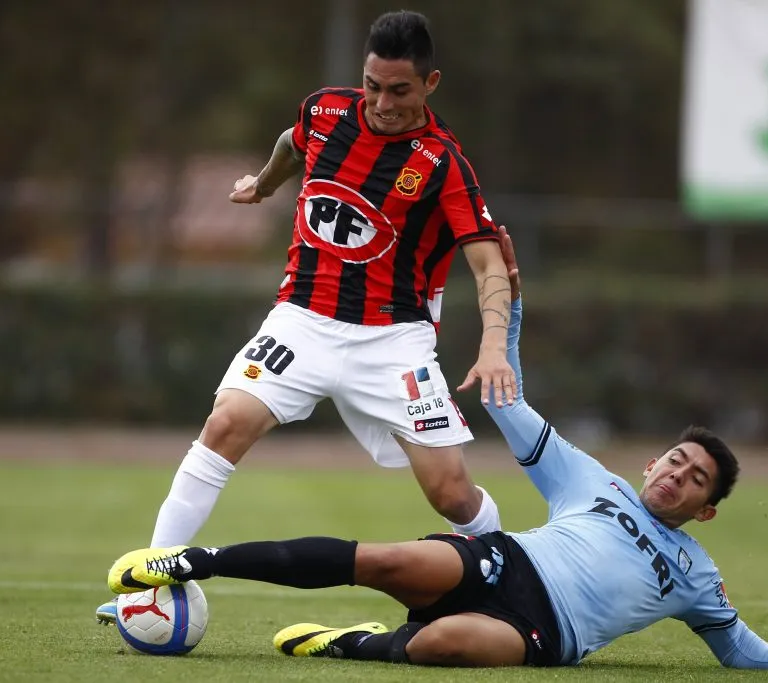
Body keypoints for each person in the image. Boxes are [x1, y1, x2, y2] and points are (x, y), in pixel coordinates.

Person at [106, 227, 768, 673]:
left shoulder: (697, 576)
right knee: (381, 559)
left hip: (542, 634)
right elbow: (506, 400)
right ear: (653, 464)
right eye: (675, 460)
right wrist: (506, 322)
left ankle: (358, 644)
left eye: (695, 478)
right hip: (503, 561)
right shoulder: (593, 481)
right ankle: (192, 561)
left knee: (447, 642)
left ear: (706, 509)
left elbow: (740, 650)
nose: (677, 474)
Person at [96, 10, 515, 623]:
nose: (382, 102)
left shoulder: (443, 163)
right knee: (225, 424)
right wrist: (264, 186)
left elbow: (488, 264)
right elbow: (294, 143)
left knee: (450, 494)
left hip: (393, 342)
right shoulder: (326, 110)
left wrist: (494, 345)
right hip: (302, 321)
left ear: (431, 84)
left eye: (399, 90)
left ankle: (506, 582)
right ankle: (146, 585)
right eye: (372, 85)